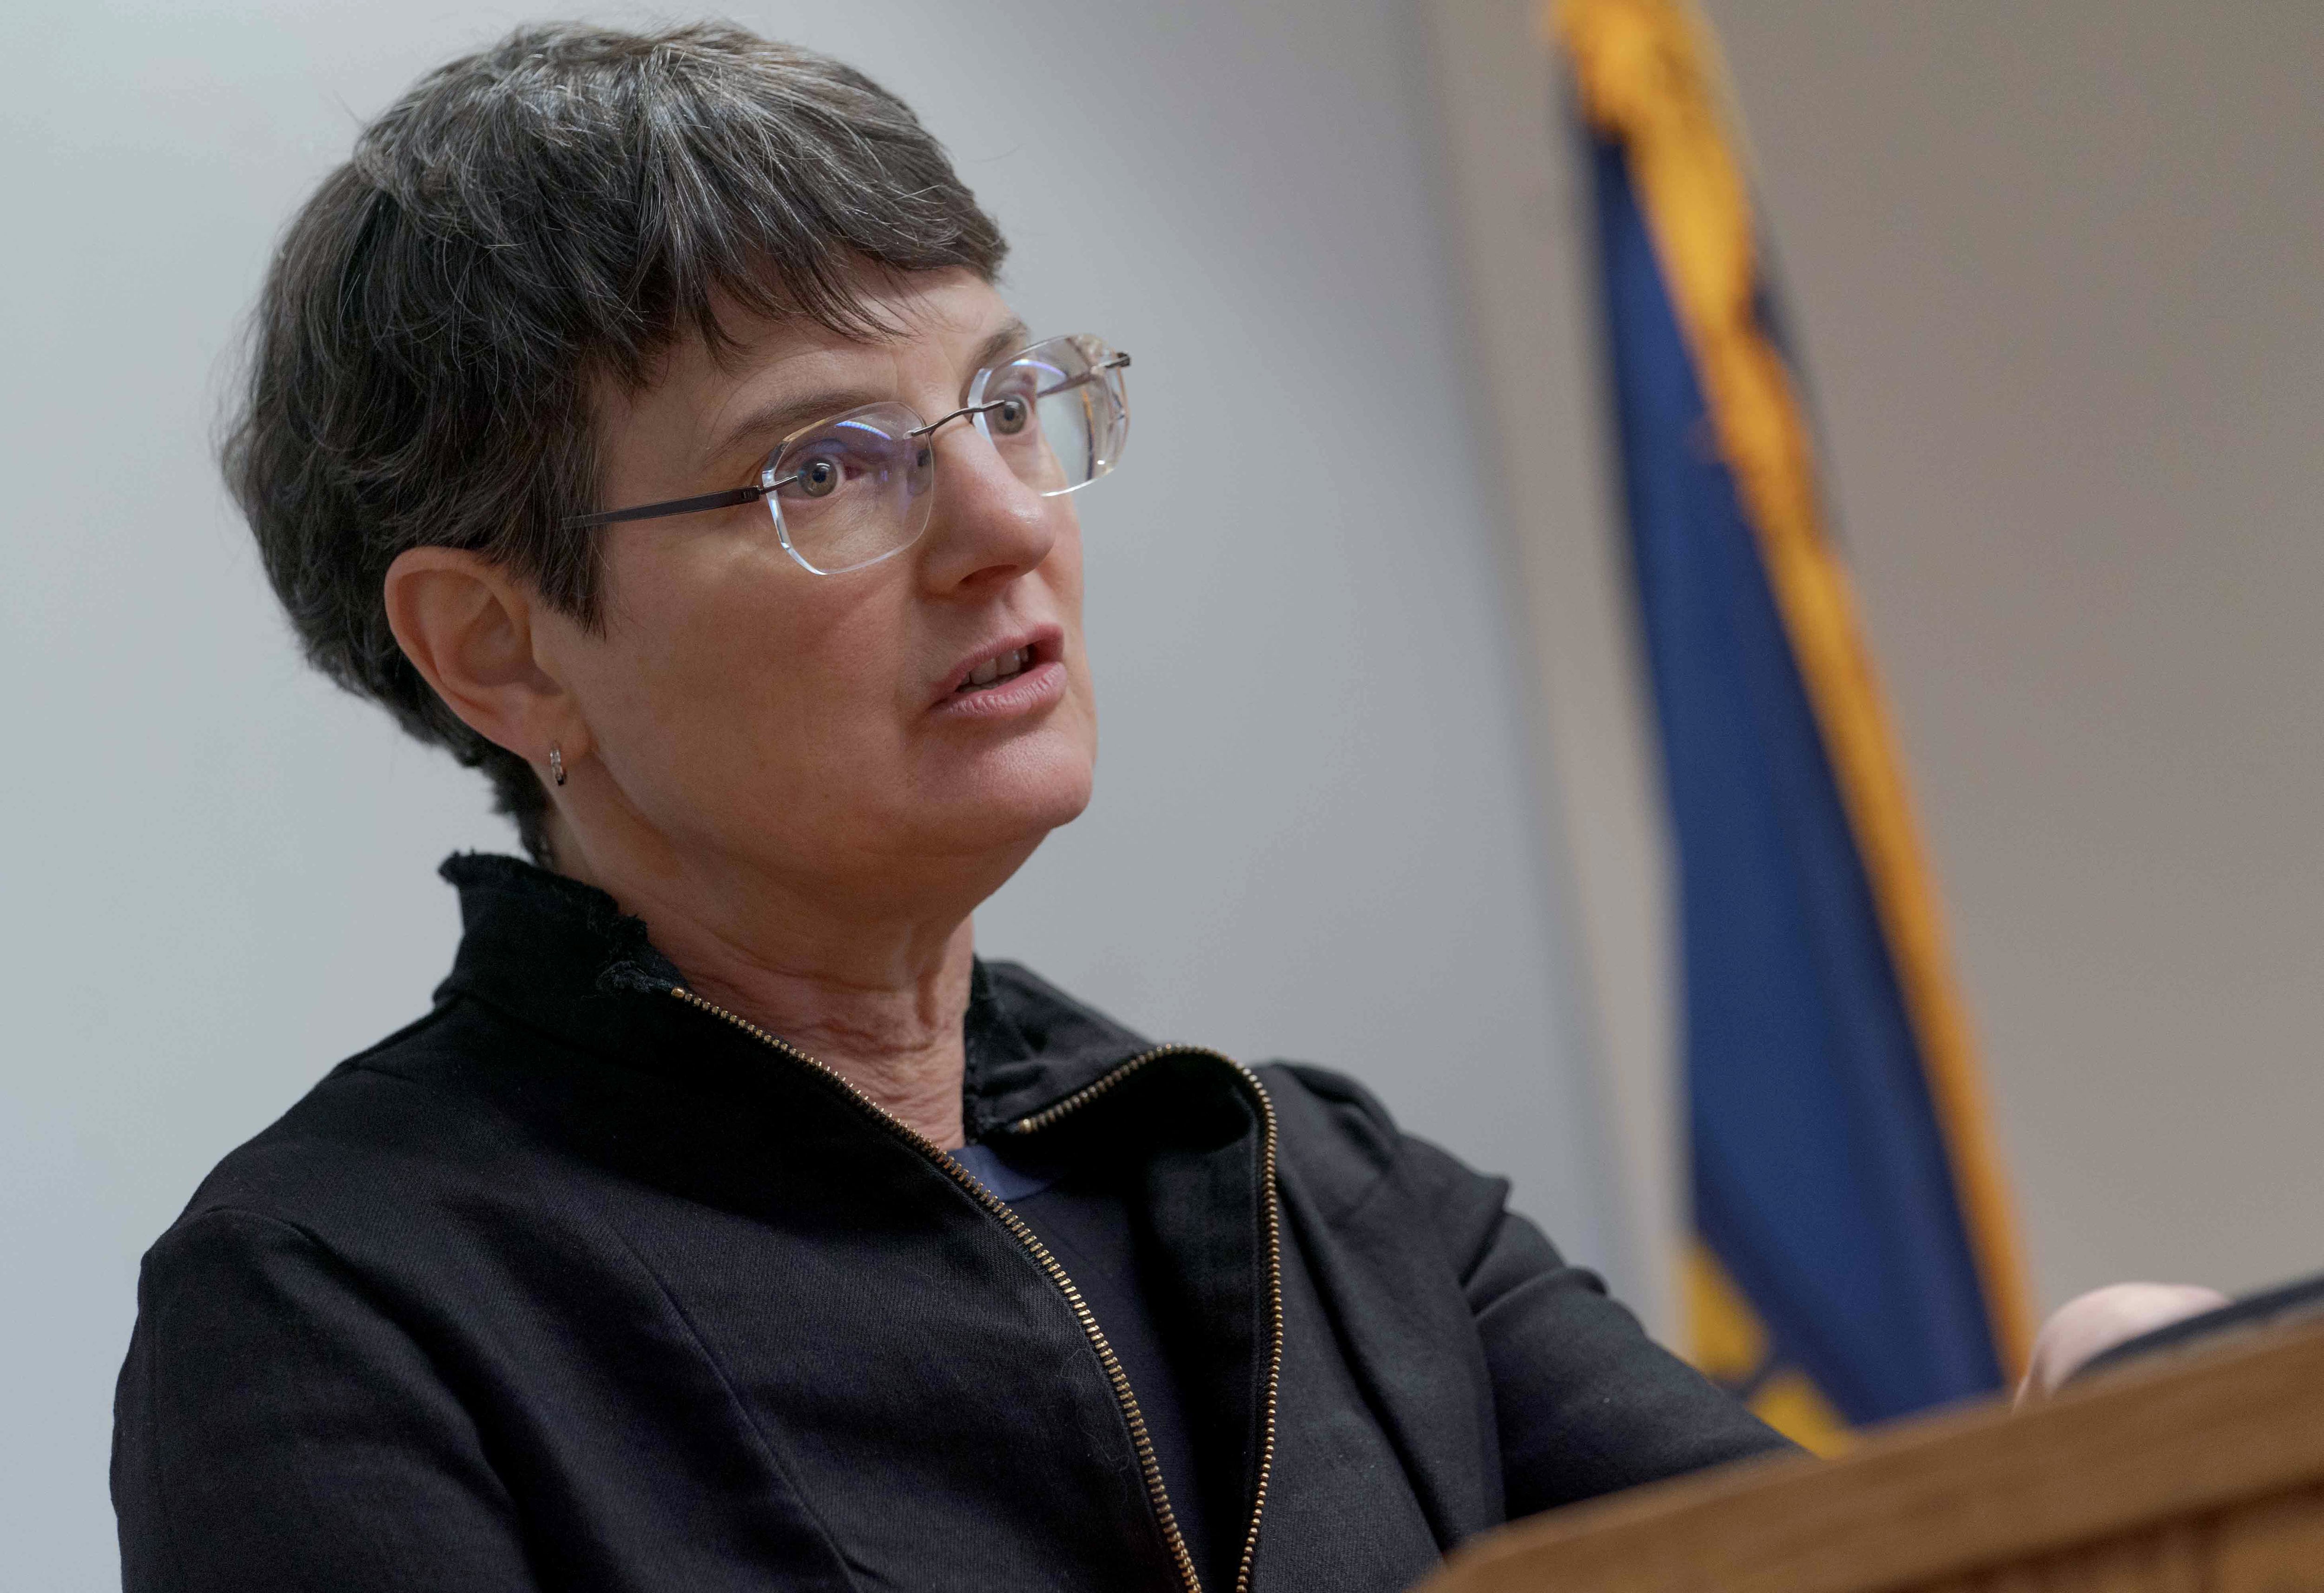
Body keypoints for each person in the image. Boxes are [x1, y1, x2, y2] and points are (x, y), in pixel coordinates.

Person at [110, 23, 1794, 1593]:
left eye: (1003, 403)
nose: (1006, 521)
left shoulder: (1322, 1189)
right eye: (826, 467)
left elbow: (1892, 1549)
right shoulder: (338, 1304)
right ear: (501, 651)